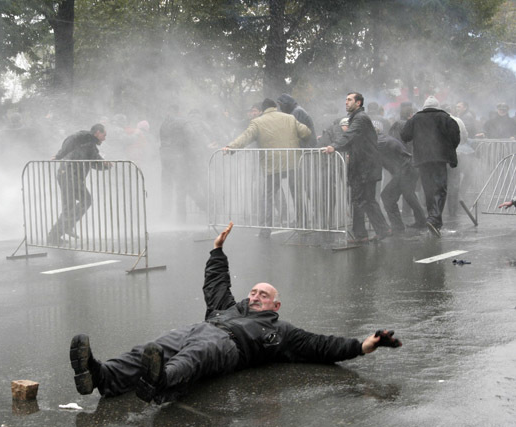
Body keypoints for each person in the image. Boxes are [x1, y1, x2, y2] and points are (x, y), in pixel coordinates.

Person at [69, 222, 402, 404]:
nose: (256, 296)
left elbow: (320, 346)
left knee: (197, 355)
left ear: (276, 305)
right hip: (198, 329)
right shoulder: (226, 307)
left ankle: (160, 382)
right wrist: (217, 250)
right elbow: (215, 283)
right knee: (147, 350)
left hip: (229, 347)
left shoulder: (280, 332)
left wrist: (363, 345)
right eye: (254, 291)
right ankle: (98, 375)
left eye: (264, 294)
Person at [224, 98, 311, 237]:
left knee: (268, 196)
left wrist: (230, 147)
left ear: (263, 109)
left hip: (272, 165)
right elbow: (306, 132)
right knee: (297, 193)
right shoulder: (290, 118)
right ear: (275, 107)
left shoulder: (257, 122)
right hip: (292, 162)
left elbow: (245, 137)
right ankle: (304, 224)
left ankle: (265, 229)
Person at [323, 92, 391, 244]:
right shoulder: (358, 118)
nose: (346, 102)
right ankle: (380, 230)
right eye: (345, 100)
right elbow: (352, 140)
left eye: (349, 100)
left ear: (358, 103)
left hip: (365, 167)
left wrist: (334, 146)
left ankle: (363, 234)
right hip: (365, 166)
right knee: (366, 200)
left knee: (360, 200)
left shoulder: (360, 118)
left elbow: (350, 135)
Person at [400, 96, 460, 237]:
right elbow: (456, 137)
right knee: (440, 189)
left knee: (428, 189)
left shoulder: (415, 118)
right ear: (437, 106)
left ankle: (432, 219)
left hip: (422, 159)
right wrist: (449, 149)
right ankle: (434, 220)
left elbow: (404, 135)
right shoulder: (446, 117)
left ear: (424, 107)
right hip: (439, 159)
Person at [48, 124, 111, 242]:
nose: (104, 138)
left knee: (71, 205)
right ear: (97, 132)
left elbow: (93, 162)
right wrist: (59, 155)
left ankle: (55, 234)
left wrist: (105, 166)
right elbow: (94, 159)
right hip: (70, 175)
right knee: (85, 200)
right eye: (104, 135)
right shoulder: (87, 139)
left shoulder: (88, 143)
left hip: (67, 174)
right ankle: (63, 228)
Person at [373, 121, 426, 233]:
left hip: (406, 170)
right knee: (408, 195)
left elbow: (369, 151)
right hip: (407, 169)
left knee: (387, 196)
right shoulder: (380, 139)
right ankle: (421, 221)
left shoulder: (380, 141)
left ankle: (398, 226)